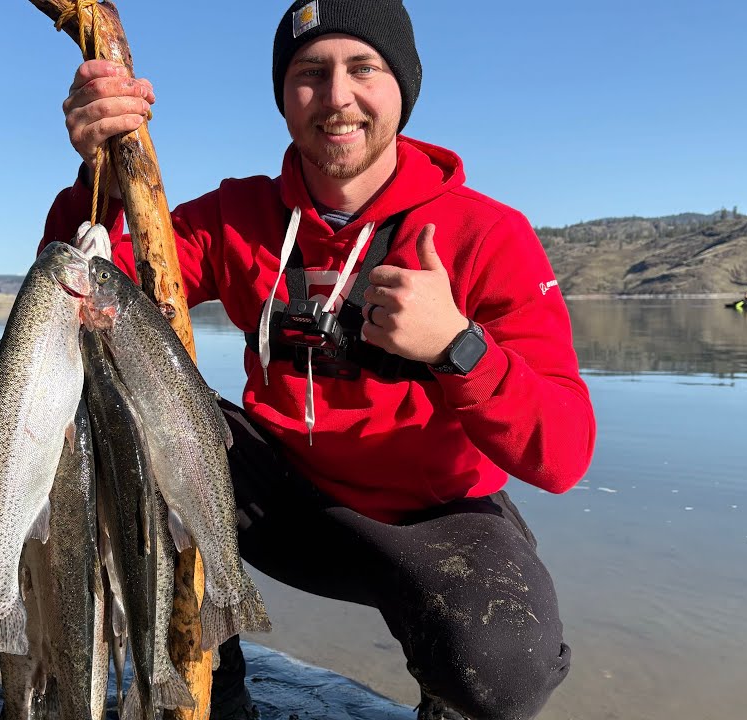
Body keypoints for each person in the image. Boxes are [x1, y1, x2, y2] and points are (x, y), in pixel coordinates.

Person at [41, 2, 596, 718]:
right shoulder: (237, 216)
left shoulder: (487, 234)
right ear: (283, 95)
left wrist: (457, 347)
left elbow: (563, 455)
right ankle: (212, 692)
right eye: (310, 73)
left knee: (505, 668)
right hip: (273, 493)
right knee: (112, 415)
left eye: (363, 68)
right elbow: (77, 303)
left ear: (403, 87)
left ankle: (445, 699)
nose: (337, 96)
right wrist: (99, 182)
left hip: (433, 520)